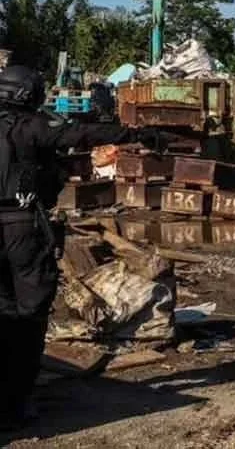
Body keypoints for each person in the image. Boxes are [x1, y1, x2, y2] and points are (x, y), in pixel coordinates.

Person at [0, 65, 161, 430]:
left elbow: (45, 164)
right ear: (29, 94)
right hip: (22, 229)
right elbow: (82, 132)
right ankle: (18, 402)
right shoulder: (32, 126)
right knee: (29, 316)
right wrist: (135, 135)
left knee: (4, 311)